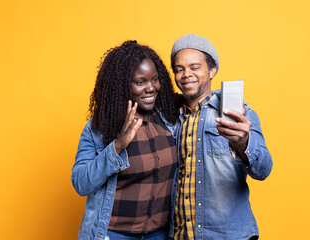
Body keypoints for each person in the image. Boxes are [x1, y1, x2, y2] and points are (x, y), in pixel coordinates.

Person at [71, 40, 179, 240]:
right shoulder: (101, 127)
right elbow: (81, 183)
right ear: (122, 86)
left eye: (154, 79)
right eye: (140, 82)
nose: (150, 88)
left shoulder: (170, 120)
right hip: (114, 234)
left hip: (160, 234)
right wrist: (118, 145)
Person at [170, 34, 273, 240]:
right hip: (180, 235)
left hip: (229, 236)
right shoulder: (171, 117)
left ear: (212, 70)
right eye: (179, 69)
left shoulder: (239, 113)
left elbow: (264, 170)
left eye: (195, 67)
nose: (186, 74)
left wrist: (244, 144)